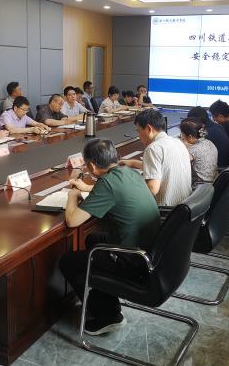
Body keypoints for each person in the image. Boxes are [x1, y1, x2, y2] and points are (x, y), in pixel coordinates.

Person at [59, 139, 160, 335]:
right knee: (92, 240)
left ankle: (108, 317)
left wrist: (72, 197)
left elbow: (72, 221)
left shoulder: (106, 183)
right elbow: (114, 191)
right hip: (150, 249)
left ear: (92, 165)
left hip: (132, 259)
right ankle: (105, 298)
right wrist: (89, 190)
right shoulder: (129, 172)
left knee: (68, 262)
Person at [121, 109, 191, 206]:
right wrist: (132, 163)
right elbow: (163, 166)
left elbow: (152, 189)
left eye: (139, 131)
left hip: (166, 209)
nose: (139, 136)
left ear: (149, 129)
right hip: (185, 205)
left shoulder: (153, 148)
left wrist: (125, 192)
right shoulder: (178, 142)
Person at [179, 117, 218, 185]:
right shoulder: (209, 142)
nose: (181, 137)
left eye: (182, 134)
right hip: (214, 180)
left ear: (190, 137)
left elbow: (180, 162)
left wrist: (181, 145)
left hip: (201, 185)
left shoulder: (192, 150)